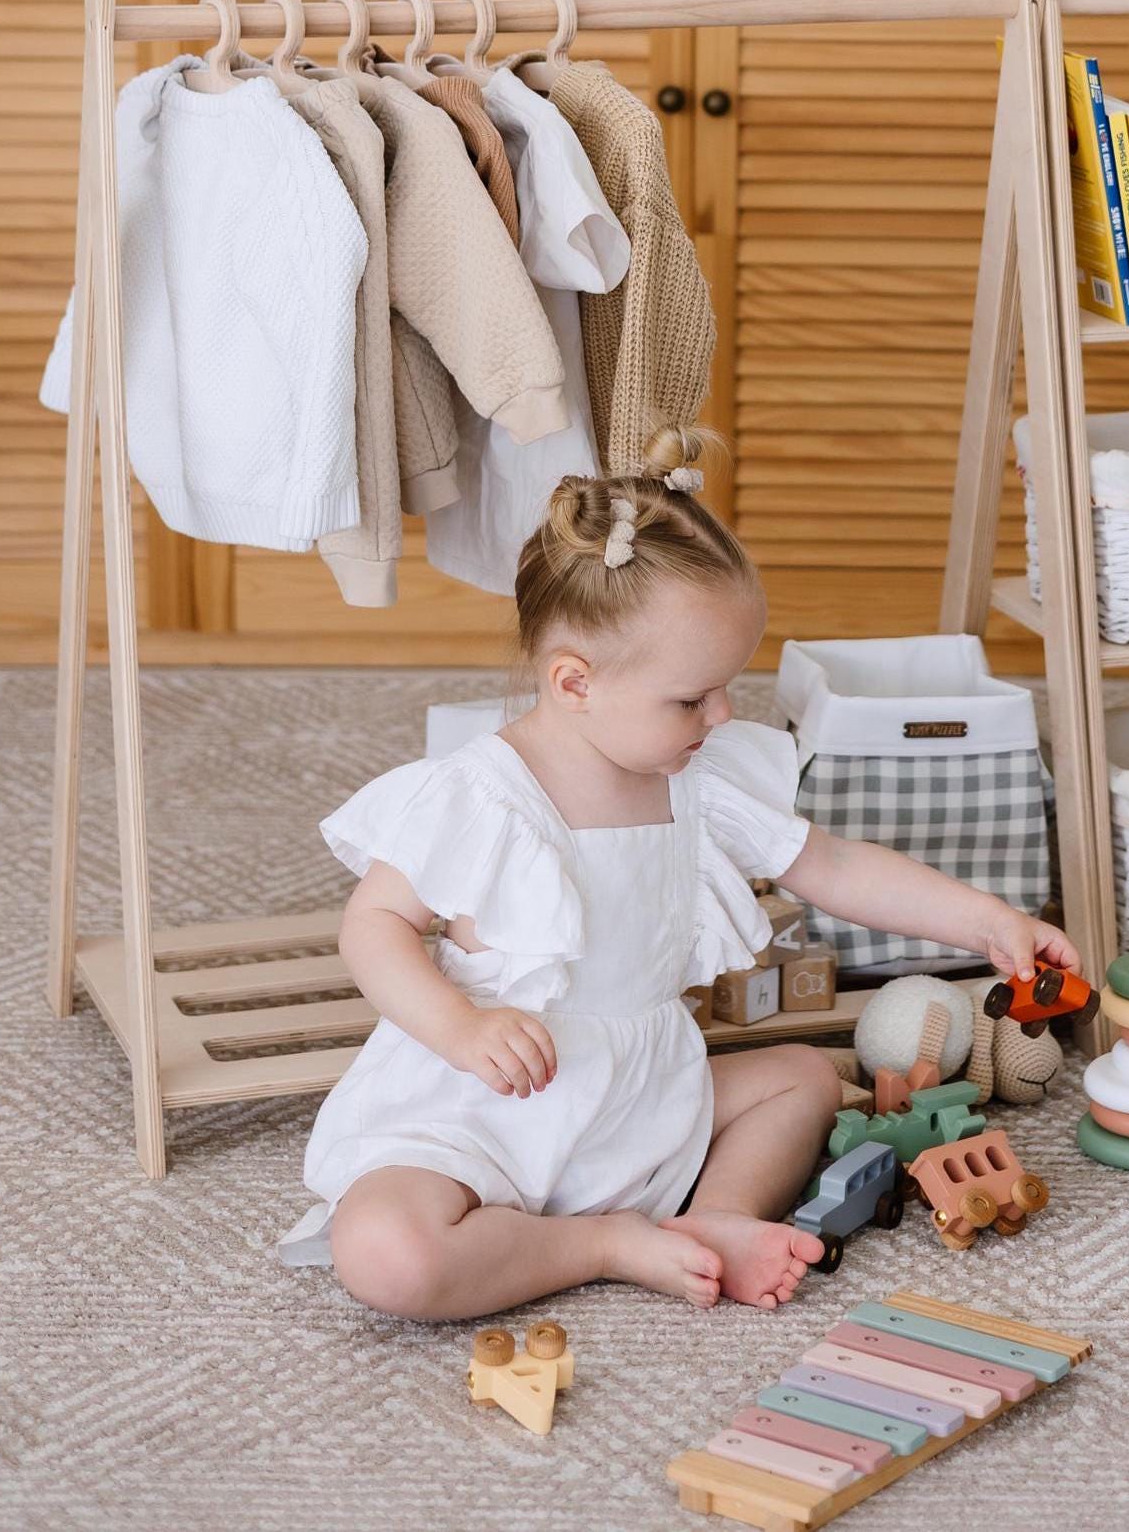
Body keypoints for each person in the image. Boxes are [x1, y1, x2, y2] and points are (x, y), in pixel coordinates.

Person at [275, 424, 1078, 1321]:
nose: (725, 711)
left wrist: (988, 923)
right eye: (693, 696)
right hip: (487, 1104)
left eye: (727, 686)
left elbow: (835, 864)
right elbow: (373, 924)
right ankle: (605, 1242)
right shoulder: (479, 796)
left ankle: (716, 1218)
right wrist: (461, 1027)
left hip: (642, 1098)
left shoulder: (700, 773)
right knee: (386, 1253)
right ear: (574, 683)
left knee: (808, 1080)